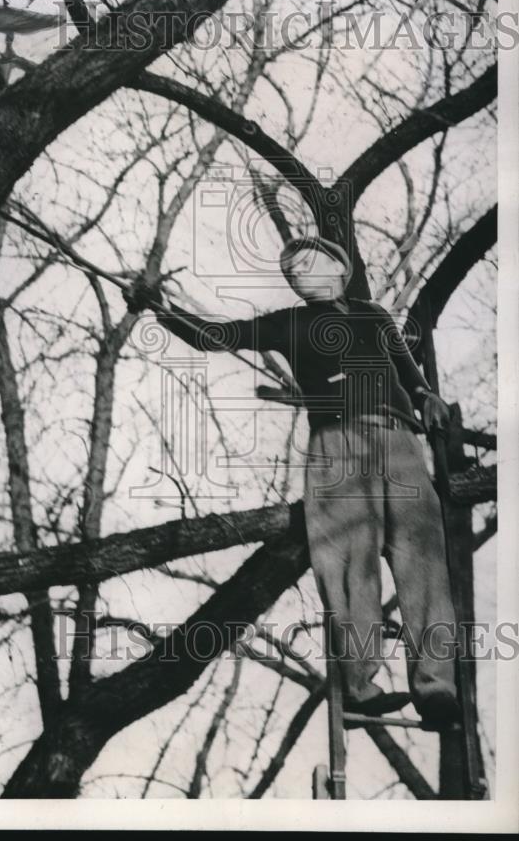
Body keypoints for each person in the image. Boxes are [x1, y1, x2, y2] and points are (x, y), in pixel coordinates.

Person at [124, 237, 461, 728]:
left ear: (338, 268)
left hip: (399, 440)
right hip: (336, 444)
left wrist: (427, 394)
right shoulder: (288, 322)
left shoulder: (373, 316)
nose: (297, 272)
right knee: (348, 568)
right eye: (289, 270)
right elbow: (216, 336)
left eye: (306, 262)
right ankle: (361, 687)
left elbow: (408, 371)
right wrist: (163, 310)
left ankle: (437, 689)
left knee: (424, 561)